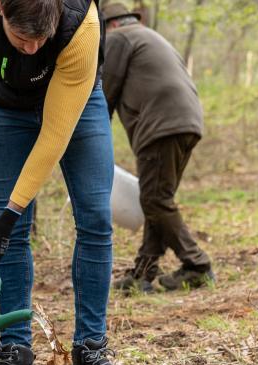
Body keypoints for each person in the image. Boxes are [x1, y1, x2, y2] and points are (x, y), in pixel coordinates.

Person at [0, 0, 148, 365]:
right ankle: (15, 358)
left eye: (40, 39)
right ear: (0, 8)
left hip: (78, 105)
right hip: (7, 106)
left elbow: (54, 134)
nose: (31, 49)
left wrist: (12, 211)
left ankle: (90, 353)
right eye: (21, 38)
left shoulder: (79, 21)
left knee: (96, 219)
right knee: (7, 238)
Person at [100, 0, 214, 294]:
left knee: (154, 200)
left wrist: (90, 137)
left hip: (161, 126)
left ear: (107, 25)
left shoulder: (117, 38)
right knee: (157, 200)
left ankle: (197, 265)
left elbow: (104, 95)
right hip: (187, 121)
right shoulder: (146, 35)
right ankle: (143, 274)